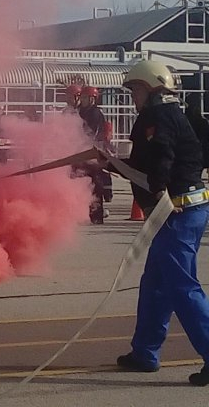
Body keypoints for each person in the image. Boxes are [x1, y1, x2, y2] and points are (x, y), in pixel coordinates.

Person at [111, 60, 209, 386]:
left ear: (151, 88)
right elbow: (145, 163)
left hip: (177, 213)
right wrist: (108, 162)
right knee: (155, 284)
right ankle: (145, 353)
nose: (132, 97)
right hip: (181, 211)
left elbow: (162, 156)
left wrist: (158, 189)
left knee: (183, 287)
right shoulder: (170, 113)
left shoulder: (158, 118)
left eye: (135, 90)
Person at [79, 86, 108, 224]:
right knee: (82, 182)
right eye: (82, 97)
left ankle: (97, 214)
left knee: (95, 184)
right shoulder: (81, 112)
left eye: (85, 97)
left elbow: (93, 134)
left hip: (93, 153)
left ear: (92, 99)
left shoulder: (95, 113)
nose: (82, 100)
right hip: (81, 152)